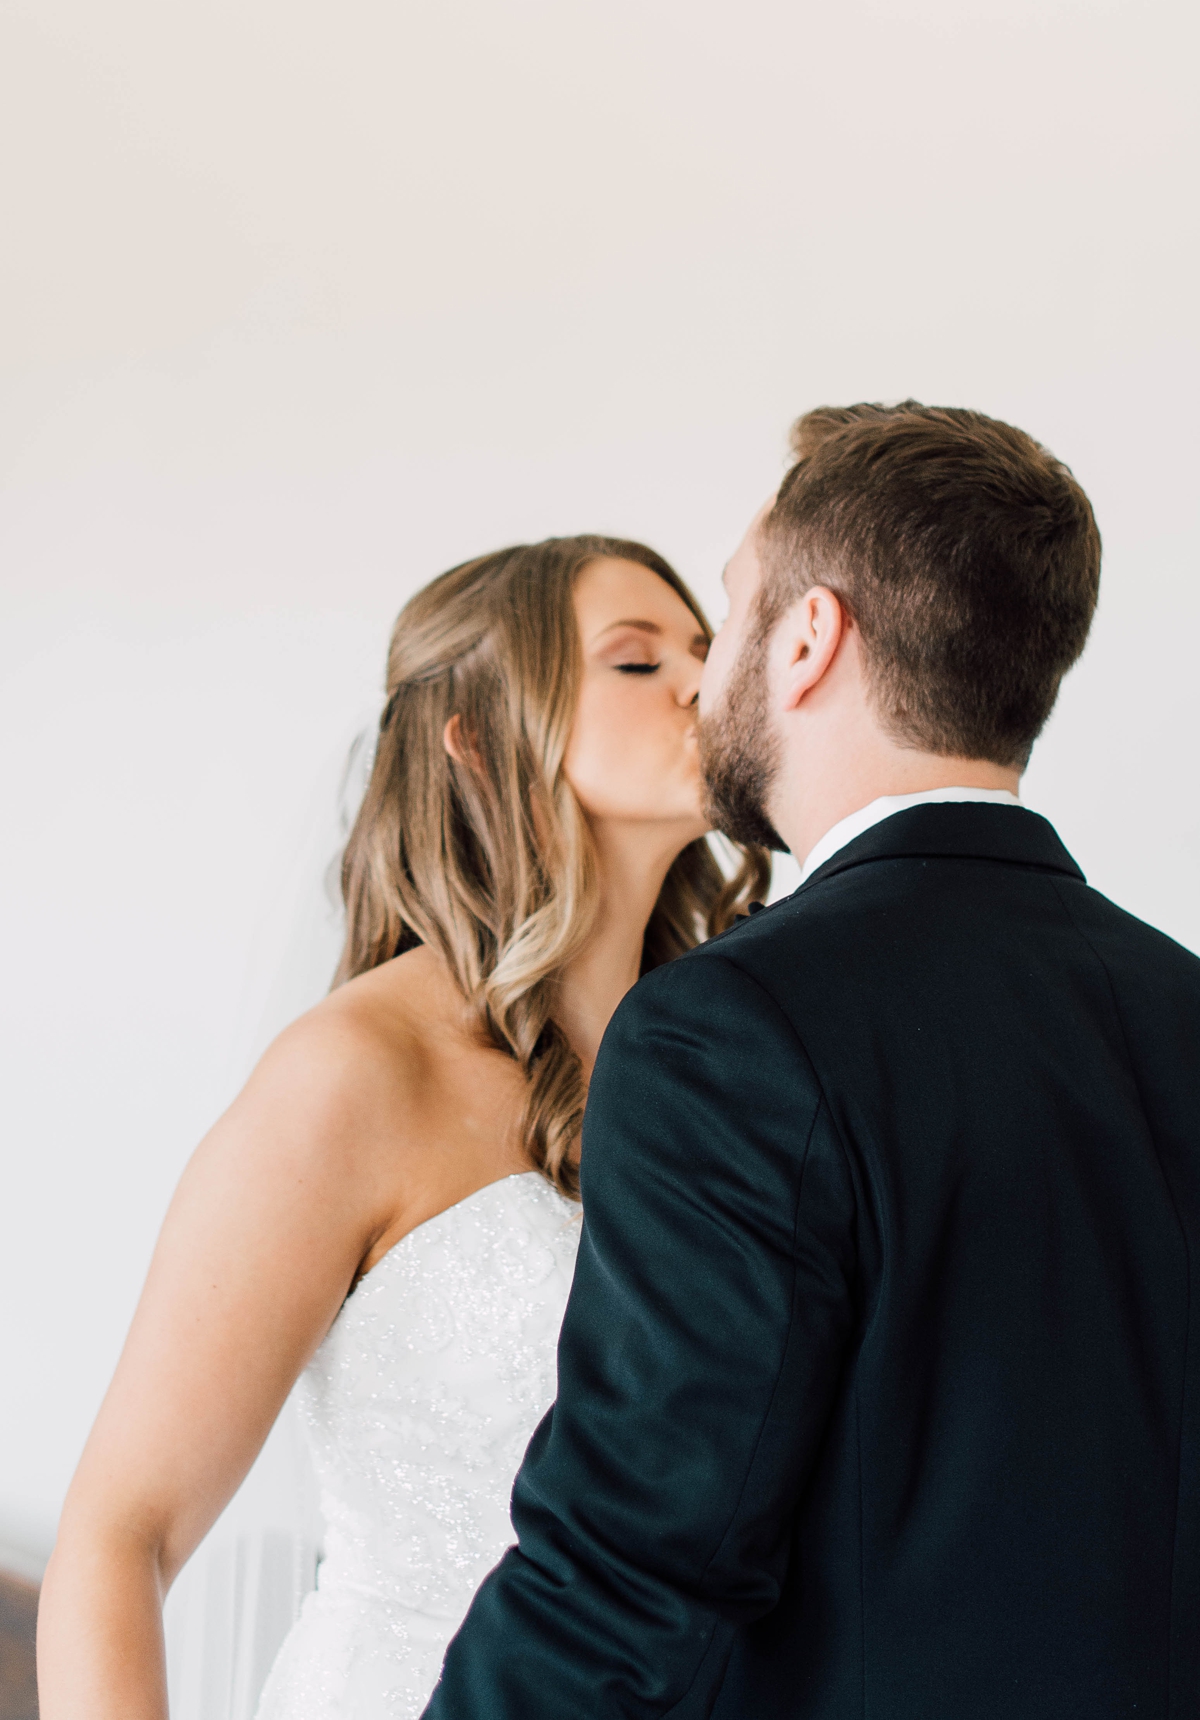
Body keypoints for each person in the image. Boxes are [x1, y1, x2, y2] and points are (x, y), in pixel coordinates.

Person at [422, 402, 1200, 1720]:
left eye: (726, 621)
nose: (702, 676)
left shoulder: (725, 1029)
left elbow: (634, 1567)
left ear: (809, 637)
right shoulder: (1180, 1006)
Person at [35, 536, 769, 1720]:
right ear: (475, 740)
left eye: (707, 646)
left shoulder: (726, 1075)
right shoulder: (357, 1075)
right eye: (638, 661)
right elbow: (123, 1534)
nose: (704, 682)